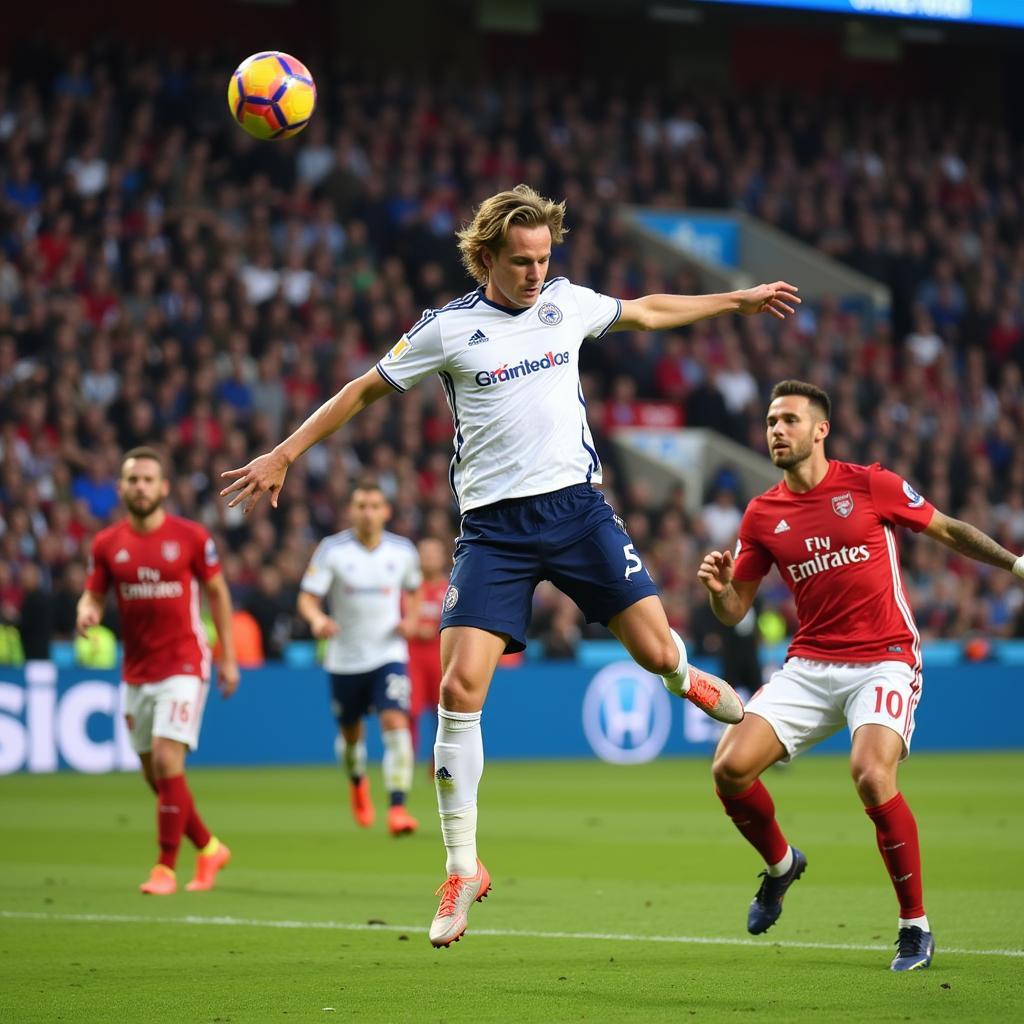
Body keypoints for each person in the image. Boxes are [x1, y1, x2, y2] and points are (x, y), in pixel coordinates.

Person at [221, 184, 800, 946]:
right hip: (494, 531)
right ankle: (463, 866)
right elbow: (363, 391)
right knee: (460, 687)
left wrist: (738, 301)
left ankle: (682, 677)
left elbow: (650, 308)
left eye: (543, 258)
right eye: (521, 261)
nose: (534, 272)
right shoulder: (448, 329)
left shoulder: (567, 303)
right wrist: (285, 453)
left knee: (660, 654)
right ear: (486, 256)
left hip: (577, 511)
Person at [697, 379, 1024, 972]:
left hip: (884, 657)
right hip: (810, 664)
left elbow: (948, 529)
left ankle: (914, 927)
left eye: (790, 420)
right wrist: (721, 593)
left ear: (820, 429)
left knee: (872, 775)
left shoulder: (870, 484)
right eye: (771, 421)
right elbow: (736, 608)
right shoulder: (763, 512)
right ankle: (780, 865)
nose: (776, 430)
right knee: (729, 769)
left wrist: (1015, 563)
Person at [76, 447, 239, 895]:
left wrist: (226, 655)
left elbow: (219, 594)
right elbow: (93, 593)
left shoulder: (190, 537)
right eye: (133, 480)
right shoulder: (107, 544)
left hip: (185, 662)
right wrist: (86, 610)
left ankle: (165, 867)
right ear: (121, 488)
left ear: (164, 487)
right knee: (157, 776)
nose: (141, 487)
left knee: (168, 760)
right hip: (137, 670)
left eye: (149, 479)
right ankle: (209, 848)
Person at [297, 480, 423, 836]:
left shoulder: (402, 551)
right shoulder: (332, 550)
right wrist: (318, 618)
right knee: (352, 739)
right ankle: (357, 783)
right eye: (360, 506)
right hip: (345, 659)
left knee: (396, 723)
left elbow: (413, 590)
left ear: (386, 511)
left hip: (388, 654)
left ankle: (398, 807)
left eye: (373, 506)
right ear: (350, 511)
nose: (367, 512)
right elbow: (307, 598)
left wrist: (411, 618)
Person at [407, 537, 449, 767]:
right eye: (425, 553)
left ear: (443, 557)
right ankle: (406, 761)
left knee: (442, 712)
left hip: (440, 655)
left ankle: (438, 764)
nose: (429, 558)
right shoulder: (408, 588)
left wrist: (434, 628)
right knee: (408, 712)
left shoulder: (451, 587)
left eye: (434, 553)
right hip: (411, 656)